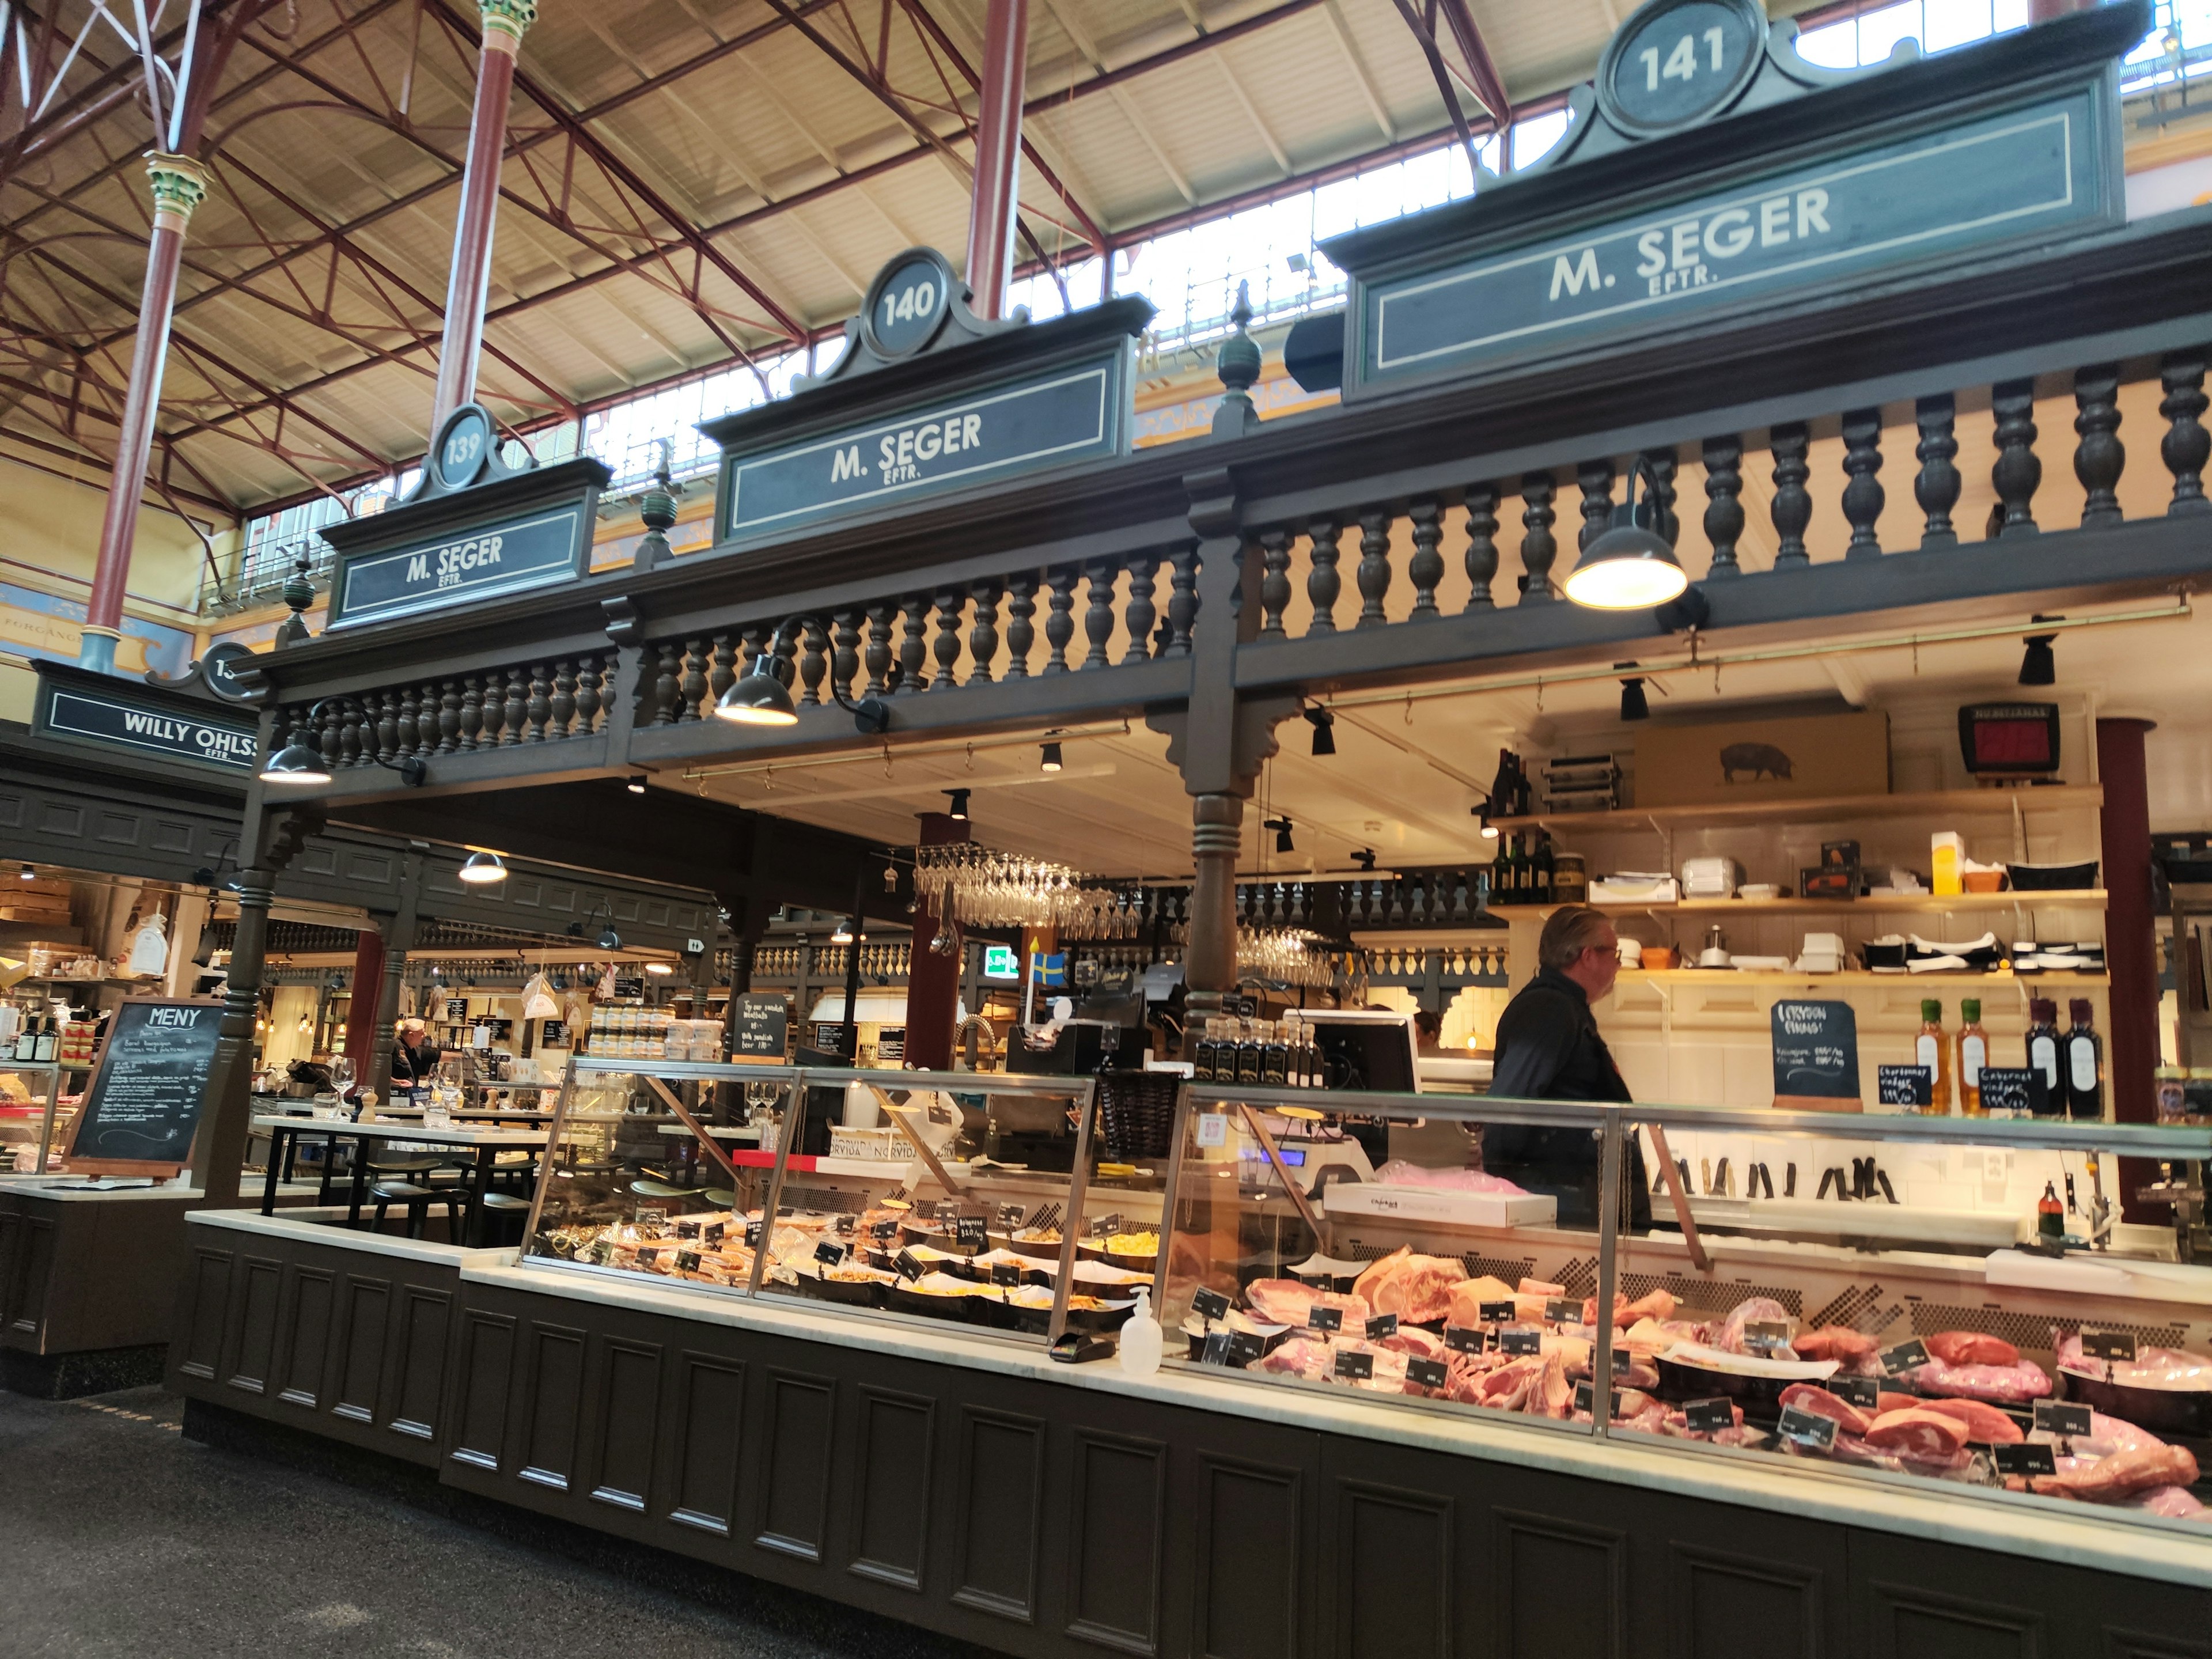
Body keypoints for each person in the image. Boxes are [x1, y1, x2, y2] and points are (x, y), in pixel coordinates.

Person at [1483, 904, 1650, 1230]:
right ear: (1588, 956)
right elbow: (1505, 1112)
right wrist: (1505, 1194)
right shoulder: (1549, 1009)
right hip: (1560, 1211)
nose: (1618, 965)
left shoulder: (1564, 1008)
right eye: (1614, 954)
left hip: (1572, 1207)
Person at [389, 1016, 441, 1102]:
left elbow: (437, 1054)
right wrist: (396, 1082)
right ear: (412, 1034)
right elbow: (381, 1072)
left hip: (409, 1096)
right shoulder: (394, 1047)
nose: (425, 1036)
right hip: (395, 1096)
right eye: (422, 1033)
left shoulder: (414, 1050)